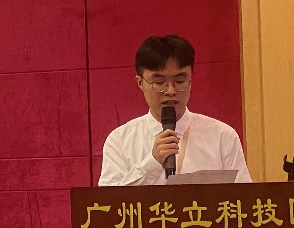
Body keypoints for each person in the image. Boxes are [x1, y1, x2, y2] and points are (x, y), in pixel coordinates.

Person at [99, 35, 251, 186]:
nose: (170, 91)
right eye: (159, 82)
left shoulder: (222, 136)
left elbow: (243, 196)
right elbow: (109, 199)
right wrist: (152, 163)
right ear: (140, 83)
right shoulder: (120, 141)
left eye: (180, 81)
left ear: (191, 80)